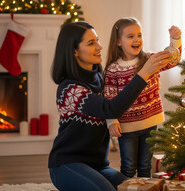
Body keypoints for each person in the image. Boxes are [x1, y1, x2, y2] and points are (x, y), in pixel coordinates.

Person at [48, 21, 173, 191]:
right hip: (67, 164)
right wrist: (144, 72)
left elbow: (126, 96)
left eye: (97, 40)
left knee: (134, 189)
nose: (99, 46)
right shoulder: (70, 90)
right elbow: (111, 108)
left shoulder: (102, 77)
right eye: (91, 43)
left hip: (99, 166)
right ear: (74, 51)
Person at [104, 17, 182, 178]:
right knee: (128, 167)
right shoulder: (114, 69)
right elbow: (109, 98)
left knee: (145, 166)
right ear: (118, 41)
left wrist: (175, 40)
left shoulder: (149, 59)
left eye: (139, 35)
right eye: (130, 36)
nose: (136, 39)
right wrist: (112, 121)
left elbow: (172, 61)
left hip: (150, 122)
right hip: (127, 127)